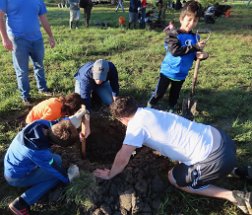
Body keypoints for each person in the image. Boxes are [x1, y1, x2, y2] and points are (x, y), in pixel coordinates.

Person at [94, 96, 252, 214]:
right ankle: (238, 171)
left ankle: (234, 196)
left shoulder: (135, 127)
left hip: (215, 158)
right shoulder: (148, 112)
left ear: (122, 118)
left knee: (174, 177)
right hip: (222, 139)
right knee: (191, 158)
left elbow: (123, 156)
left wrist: (110, 174)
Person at [4, 119, 80, 215]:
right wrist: (69, 179)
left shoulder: (41, 124)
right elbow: (54, 170)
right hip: (16, 177)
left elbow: (60, 122)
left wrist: (76, 117)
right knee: (55, 177)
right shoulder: (38, 150)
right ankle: (21, 203)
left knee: (57, 160)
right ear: (56, 144)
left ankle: (35, 176)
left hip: (13, 164)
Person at [147, 1, 208, 112]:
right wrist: (195, 47)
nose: (191, 23)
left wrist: (203, 55)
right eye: (189, 19)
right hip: (167, 72)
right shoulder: (173, 35)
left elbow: (194, 55)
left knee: (175, 94)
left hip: (181, 74)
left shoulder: (196, 37)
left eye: (195, 20)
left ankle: (172, 108)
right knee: (159, 92)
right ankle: (150, 106)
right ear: (181, 19)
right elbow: (175, 51)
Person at [0, 0, 55, 106]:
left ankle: (43, 89)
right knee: (22, 70)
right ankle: (25, 96)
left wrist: (50, 36)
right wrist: (5, 38)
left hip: (37, 38)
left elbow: (43, 18)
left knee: (39, 65)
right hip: (17, 39)